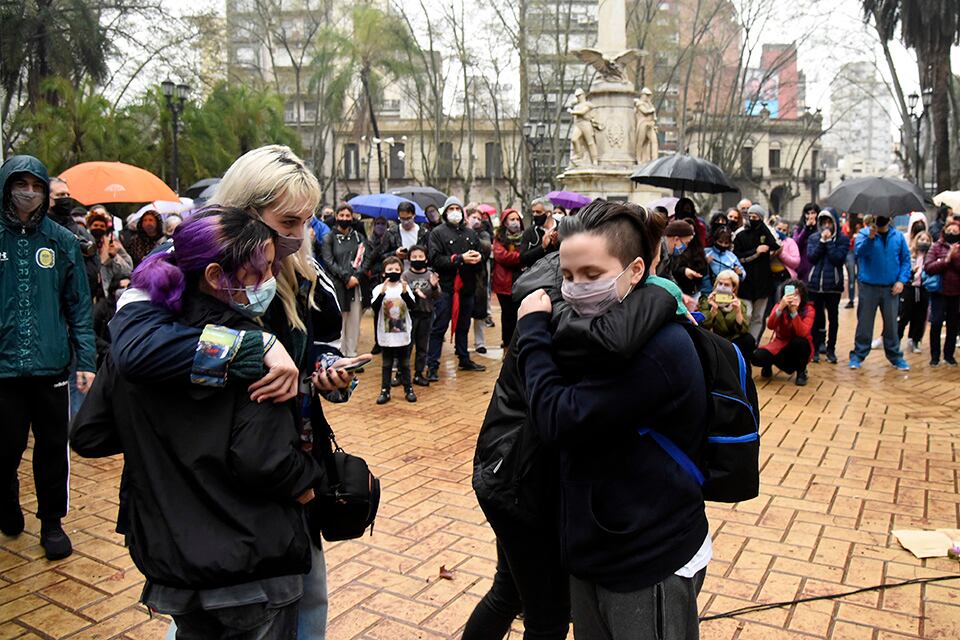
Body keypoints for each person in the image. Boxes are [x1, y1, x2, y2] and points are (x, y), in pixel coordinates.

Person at [107, 145, 359, 640]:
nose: (297, 234)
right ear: (246, 209)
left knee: (308, 602)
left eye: (305, 221)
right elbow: (134, 350)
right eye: (287, 220)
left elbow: (304, 350)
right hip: (208, 485)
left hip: (285, 467)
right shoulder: (173, 259)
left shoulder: (295, 268)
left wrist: (329, 372)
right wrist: (252, 345)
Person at [71, 207, 322, 638]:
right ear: (213, 274)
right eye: (260, 269)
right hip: (247, 564)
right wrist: (312, 479)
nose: (268, 279)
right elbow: (264, 462)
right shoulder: (254, 350)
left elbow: (90, 434)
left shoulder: (139, 341)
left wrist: (156, 439)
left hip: (168, 557)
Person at [514, 200, 708, 639]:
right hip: (596, 550)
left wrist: (533, 337)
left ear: (635, 270)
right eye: (567, 276)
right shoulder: (598, 329)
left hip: (646, 559)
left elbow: (557, 418)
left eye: (592, 275)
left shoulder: (657, 347)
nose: (576, 288)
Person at [0, 155, 96, 560]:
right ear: (6, 187)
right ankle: (7, 503)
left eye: (36, 185)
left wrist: (86, 360)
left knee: (53, 447)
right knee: (5, 448)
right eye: (20, 184)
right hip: (3, 369)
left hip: (52, 366)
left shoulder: (62, 241)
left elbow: (78, 305)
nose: (29, 192)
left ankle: (52, 521)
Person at [426, 196, 487, 379]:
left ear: (463, 212)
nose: (455, 212)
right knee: (439, 327)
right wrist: (459, 258)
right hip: (446, 288)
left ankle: (464, 357)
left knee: (463, 325)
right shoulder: (437, 233)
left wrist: (478, 259)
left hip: (466, 287)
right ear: (445, 212)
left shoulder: (470, 234)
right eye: (451, 208)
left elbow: (479, 258)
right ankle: (432, 364)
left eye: (458, 208)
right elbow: (435, 259)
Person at [849, 213, 911, 371]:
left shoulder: (898, 237)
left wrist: (901, 280)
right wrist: (870, 238)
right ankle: (858, 355)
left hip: (891, 288)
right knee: (864, 324)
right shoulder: (864, 234)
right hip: (868, 287)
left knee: (891, 325)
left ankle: (896, 357)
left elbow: (905, 260)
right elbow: (859, 253)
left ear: (890, 219)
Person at [322, 203, 370, 358]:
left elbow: (365, 258)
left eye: (347, 216)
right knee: (339, 320)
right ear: (336, 217)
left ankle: (351, 353)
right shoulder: (329, 237)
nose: (344, 218)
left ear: (352, 218)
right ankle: (339, 354)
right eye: (341, 215)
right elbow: (328, 260)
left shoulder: (358, 237)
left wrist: (356, 276)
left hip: (356, 284)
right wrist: (345, 277)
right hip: (337, 284)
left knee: (354, 321)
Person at [804, 207, 848, 365]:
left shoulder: (842, 239)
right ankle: (815, 348)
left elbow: (838, 258)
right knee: (815, 318)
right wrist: (822, 242)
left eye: (830, 222)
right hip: (815, 285)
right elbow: (812, 257)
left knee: (833, 318)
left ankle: (831, 349)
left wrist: (829, 242)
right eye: (824, 222)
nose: (827, 225)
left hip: (832, 286)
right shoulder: (814, 237)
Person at [372, 257, 419, 404]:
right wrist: (382, 294)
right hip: (386, 334)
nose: (393, 272)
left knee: (404, 363)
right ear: (384, 272)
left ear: (401, 271)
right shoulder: (378, 288)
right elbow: (374, 307)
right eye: (390, 270)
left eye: (397, 270)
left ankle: (408, 389)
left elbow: (413, 306)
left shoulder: (404, 287)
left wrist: (405, 292)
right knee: (386, 363)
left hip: (403, 333)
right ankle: (385, 391)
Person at [752, 280, 815, 385]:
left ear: (802, 296)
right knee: (757, 357)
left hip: (798, 346)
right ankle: (768, 365)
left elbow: (802, 333)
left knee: (801, 342)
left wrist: (794, 312)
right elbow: (770, 325)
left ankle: (801, 371)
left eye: (796, 295)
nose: (793, 297)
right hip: (780, 344)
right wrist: (780, 307)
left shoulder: (808, 310)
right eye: (790, 294)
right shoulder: (780, 306)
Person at [734, 204, 779, 341]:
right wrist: (756, 252)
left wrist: (764, 227)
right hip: (746, 283)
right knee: (746, 314)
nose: (753, 220)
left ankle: (753, 343)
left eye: (756, 217)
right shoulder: (740, 235)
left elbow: (775, 245)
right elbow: (737, 257)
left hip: (763, 283)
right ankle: (743, 341)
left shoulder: (765, 233)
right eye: (751, 216)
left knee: (759, 317)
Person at [402, 245, 441, 386]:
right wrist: (416, 291)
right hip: (410, 315)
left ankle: (419, 374)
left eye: (420, 257)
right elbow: (403, 292)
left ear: (426, 258)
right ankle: (402, 373)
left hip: (426, 314)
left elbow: (437, 296)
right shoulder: (406, 275)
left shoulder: (430, 275)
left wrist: (434, 286)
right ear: (409, 259)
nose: (417, 259)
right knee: (407, 346)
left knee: (422, 346)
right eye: (414, 257)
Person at [923, 220, 960, 366]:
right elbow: (929, 267)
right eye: (949, 230)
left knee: (953, 324)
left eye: (955, 231)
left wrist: (954, 258)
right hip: (939, 291)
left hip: (956, 292)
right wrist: (946, 260)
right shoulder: (936, 247)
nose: (952, 233)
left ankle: (949, 355)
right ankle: (935, 356)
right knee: (936, 323)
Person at [698, 269, 755, 356]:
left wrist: (738, 311)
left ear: (734, 288)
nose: (722, 287)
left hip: (733, 339)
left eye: (727, 285)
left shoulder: (739, 303)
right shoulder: (707, 301)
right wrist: (713, 310)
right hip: (714, 338)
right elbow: (704, 326)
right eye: (720, 283)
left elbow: (743, 330)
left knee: (748, 340)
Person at [492, 209, 525, 349]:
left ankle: (518, 341)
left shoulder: (525, 237)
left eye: (517, 219)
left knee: (520, 313)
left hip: (521, 281)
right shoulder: (499, 238)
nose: (515, 222)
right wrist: (522, 258)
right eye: (512, 219)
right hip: (504, 282)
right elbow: (502, 256)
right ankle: (507, 342)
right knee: (507, 314)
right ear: (505, 222)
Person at [899, 231, 932, 355]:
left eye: (927, 240)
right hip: (910, 288)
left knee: (920, 316)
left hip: (924, 289)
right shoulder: (910, 254)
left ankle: (915, 340)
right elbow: (904, 269)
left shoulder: (930, 256)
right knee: (904, 315)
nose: (924, 242)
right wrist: (911, 272)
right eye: (921, 239)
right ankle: (897, 340)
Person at [467, 207, 493, 355]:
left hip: (479, 278)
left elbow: (486, 248)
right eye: (473, 217)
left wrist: (472, 234)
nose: (476, 220)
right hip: (463, 277)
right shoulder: (460, 231)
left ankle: (480, 342)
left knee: (479, 312)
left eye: (478, 218)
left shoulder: (483, 233)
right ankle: (461, 344)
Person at [87, 209, 133, 294]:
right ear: (90, 227)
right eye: (95, 225)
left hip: (105, 292)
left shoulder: (112, 243)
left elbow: (127, 270)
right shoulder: (85, 242)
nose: (98, 228)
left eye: (102, 226)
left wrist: (114, 257)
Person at [366, 216, 392, 355]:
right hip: (375, 280)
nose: (380, 226)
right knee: (377, 312)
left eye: (383, 224)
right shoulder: (370, 241)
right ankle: (378, 341)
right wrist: (379, 248)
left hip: (389, 277)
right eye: (377, 224)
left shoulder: (390, 238)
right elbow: (369, 258)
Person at [662, 219, 707, 298]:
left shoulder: (669, 255)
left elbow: (668, 276)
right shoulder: (657, 251)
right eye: (686, 243)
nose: (686, 247)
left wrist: (680, 294)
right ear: (676, 239)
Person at [93, 276, 130, 367]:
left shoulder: (135, 307)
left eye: (128, 287)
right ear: (114, 291)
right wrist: (108, 349)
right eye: (121, 288)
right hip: (107, 357)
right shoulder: (102, 308)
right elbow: (91, 333)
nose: (125, 290)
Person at [383, 201, 430, 267]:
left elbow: (430, 255)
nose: (406, 222)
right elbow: (382, 255)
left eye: (408, 218)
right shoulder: (391, 233)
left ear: (414, 215)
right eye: (402, 219)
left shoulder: (424, 233)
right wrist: (395, 253)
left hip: (419, 271)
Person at [704, 227, 745, 296]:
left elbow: (742, 274)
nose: (723, 245)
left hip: (725, 294)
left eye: (726, 243)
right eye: (720, 242)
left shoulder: (732, 257)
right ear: (715, 240)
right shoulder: (706, 252)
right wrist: (704, 263)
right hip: (706, 292)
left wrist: (740, 274)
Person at [519, 197, 559, 268]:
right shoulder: (529, 232)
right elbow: (523, 258)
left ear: (548, 213)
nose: (535, 215)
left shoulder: (561, 228)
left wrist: (556, 244)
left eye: (538, 212)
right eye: (533, 212)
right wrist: (542, 247)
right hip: (536, 275)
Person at [793, 202, 820, 281]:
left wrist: (816, 228)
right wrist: (806, 228)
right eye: (808, 213)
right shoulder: (799, 228)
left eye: (813, 213)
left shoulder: (821, 228)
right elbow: (796, 244)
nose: (810, 216)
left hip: (815, 263)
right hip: (802, 265)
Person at [843, 213, 863, 308]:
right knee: (851, 277)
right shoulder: (846, 226)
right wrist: (852, 238)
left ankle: (861, 298)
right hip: (850, 251)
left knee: (860, 276)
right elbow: (844, 239)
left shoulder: (861, 226)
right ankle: (851, 299)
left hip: (859, 251)